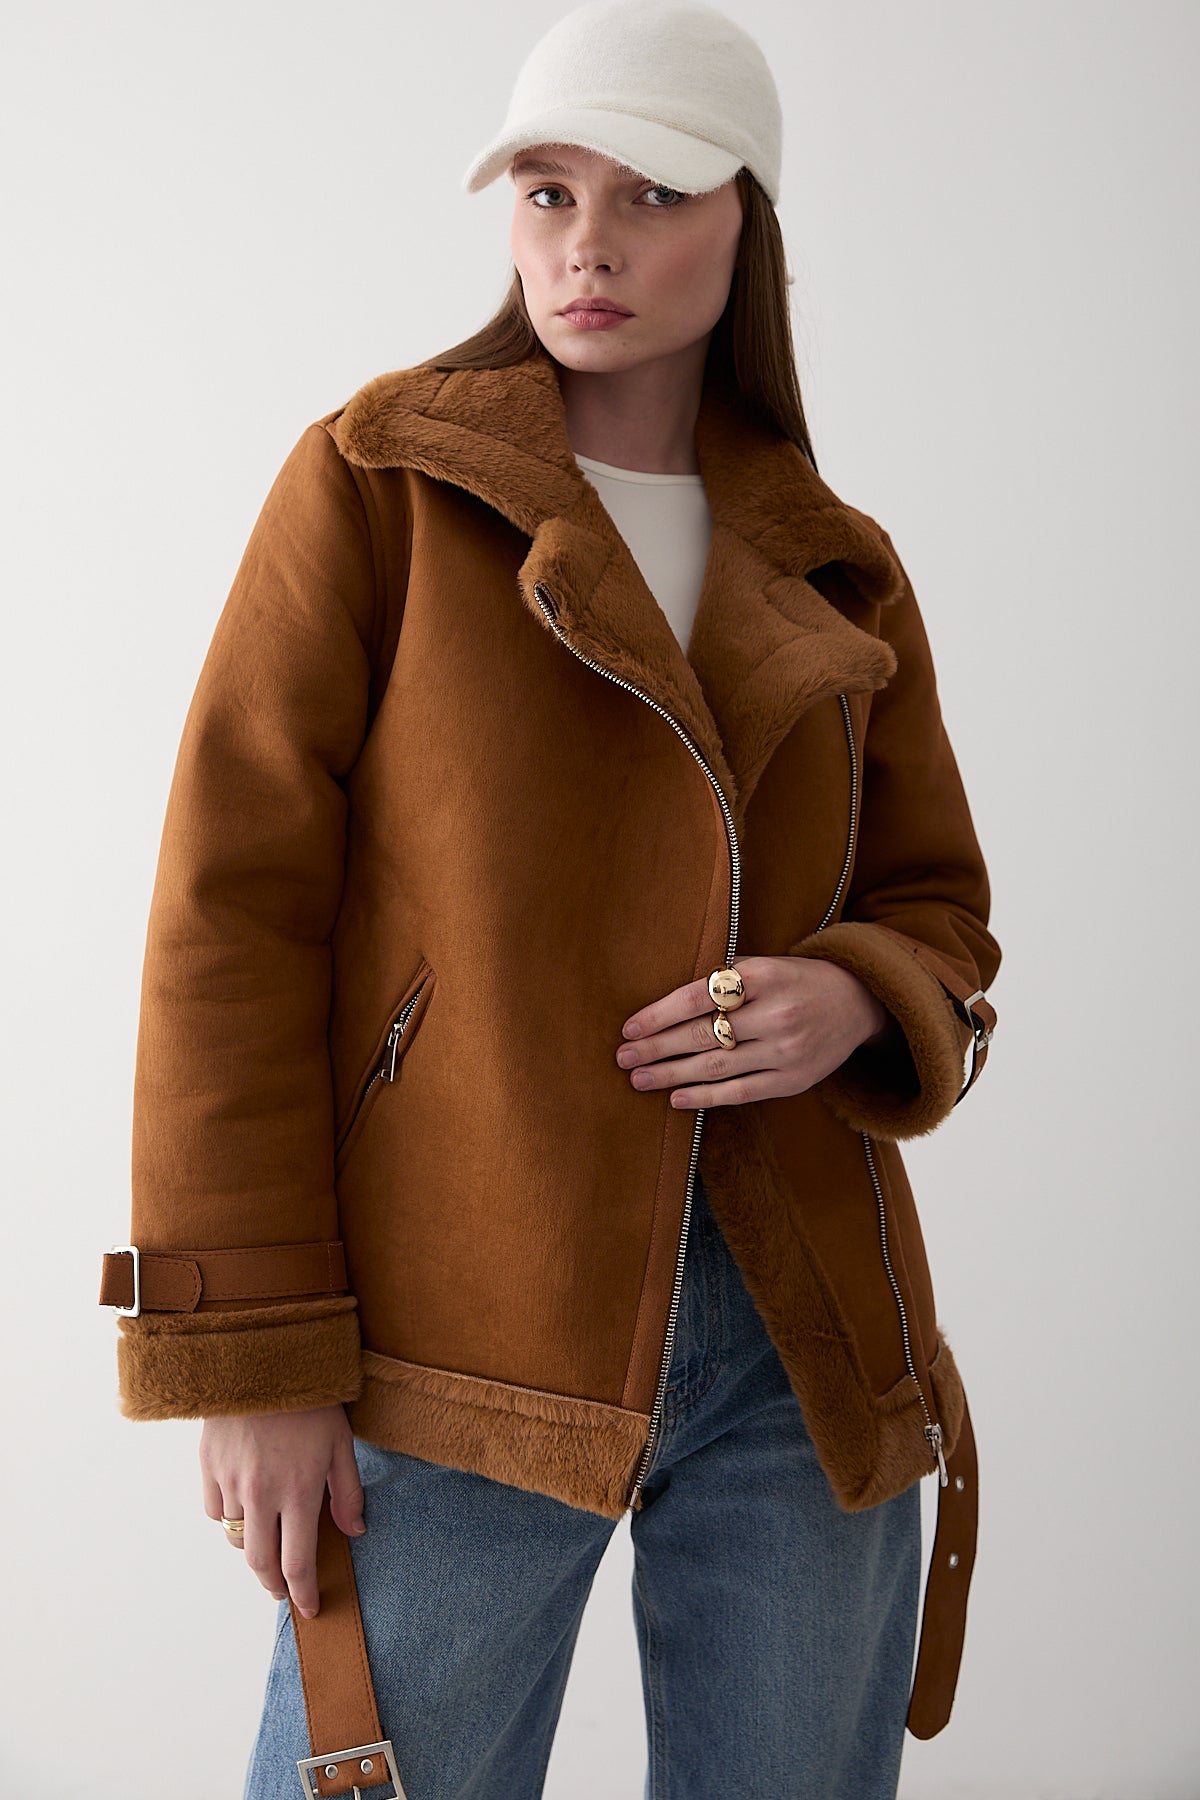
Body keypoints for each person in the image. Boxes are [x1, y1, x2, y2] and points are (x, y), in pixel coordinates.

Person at [97, 2, 1001, 1795]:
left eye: (652, 193)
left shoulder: (838, 562)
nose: (588, 243)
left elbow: (940, 908)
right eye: (546, 189)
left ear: (745, 221)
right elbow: (228, 922)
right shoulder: (380, 486)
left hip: (805, 1341)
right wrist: (252, 1357)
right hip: (458, 1320)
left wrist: (853, 993)